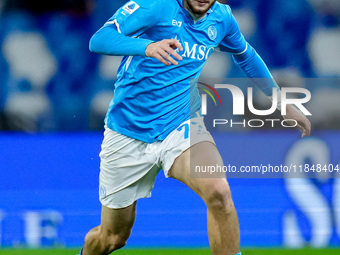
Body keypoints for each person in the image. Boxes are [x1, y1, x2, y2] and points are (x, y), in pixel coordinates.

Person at [80, 0, 311, 254]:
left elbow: (246, 55)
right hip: (127, 132)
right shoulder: (155, 6)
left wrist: (281, 102)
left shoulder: (221, 18)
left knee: (219, 192)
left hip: (180, 125)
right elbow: (99, 39)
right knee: (112, 237)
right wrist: (147, 46)